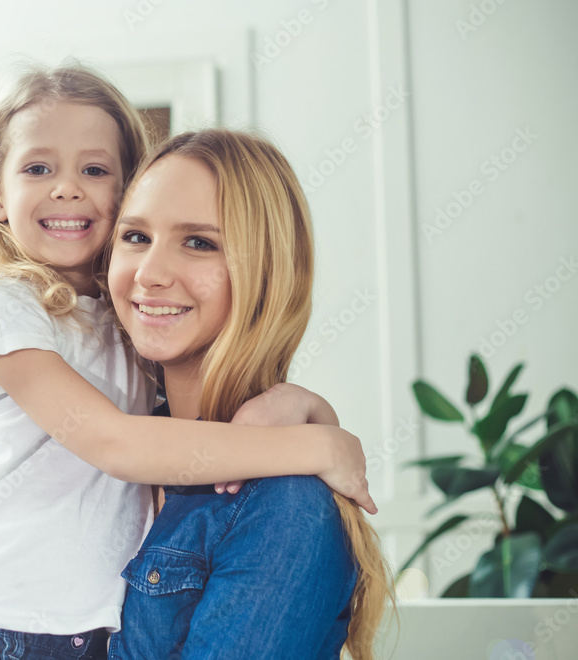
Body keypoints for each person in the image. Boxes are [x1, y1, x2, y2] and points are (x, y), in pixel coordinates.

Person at [0, 63, 375, 660]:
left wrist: (304, 405)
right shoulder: (4, 307)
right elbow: (115, 442)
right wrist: (318, 444)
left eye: (94, 170)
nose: (66, 189)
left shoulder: (116, 328)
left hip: (76, 634)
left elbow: (171, 435)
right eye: (38, 168)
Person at [104, 128, 393, 659]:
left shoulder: (286, 504)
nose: (150, 273)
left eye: (199, 243)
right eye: (136, 236)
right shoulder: (104, 446)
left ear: (266, 271)